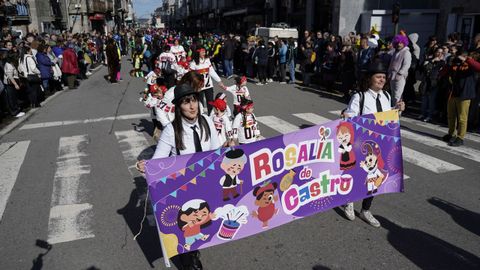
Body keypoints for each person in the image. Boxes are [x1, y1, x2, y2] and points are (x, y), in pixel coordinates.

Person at [137, 83, 221, 270]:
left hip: (206, 181)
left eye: (194, 101)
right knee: (186, 226)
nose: (192, 106)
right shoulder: (171, 130)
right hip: (184, 187)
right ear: (179, 107)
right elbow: (158, 161)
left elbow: (217, 152)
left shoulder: (207, 121)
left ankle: (194, 251)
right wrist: (146, 167)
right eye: (186, 102)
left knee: (204, 222)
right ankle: (188, 262)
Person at [342, 60, 405, 227]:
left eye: (384, 77)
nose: (382, 80)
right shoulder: (359, 96)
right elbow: (350, 119)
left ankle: (366, 210)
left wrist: (397, 111)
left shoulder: (386, 96)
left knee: (374, 178)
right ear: (370, 78)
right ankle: (349, 201)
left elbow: (389, 121)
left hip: (379, 145)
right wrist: (348, 117)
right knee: (357, 175)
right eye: (378, 77)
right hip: (361, 143)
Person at [440, 51, 480, 146]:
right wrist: (449, 63)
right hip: (453, 93)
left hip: (464, 95)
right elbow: (442, 73)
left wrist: (467, 59)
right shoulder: (455, 64)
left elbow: (478, 67)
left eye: (464, 56)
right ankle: (451, 134)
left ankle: (460, 137)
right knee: (451, 116)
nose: (461, 57)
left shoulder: (471, 66)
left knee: (462, 117)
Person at [189, 47, 224, 114]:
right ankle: (201, 117)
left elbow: (212, 71)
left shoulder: (207, 60)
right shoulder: (193, 62)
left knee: (210, 102)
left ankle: (210, 117)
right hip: (199, 87)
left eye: (204, 52)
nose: (204, 53)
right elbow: (191, 76)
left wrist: (219, 81)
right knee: (200, 103)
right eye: (202, 52)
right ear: (198, 53)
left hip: (209, 86)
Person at [419, 47, 445, 122]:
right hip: (426, 81)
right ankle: (422, 113)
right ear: (435, 52)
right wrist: (432, 61)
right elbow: (424, 68)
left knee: (431, 100)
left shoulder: (442, 62)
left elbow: (440, 72)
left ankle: (429, 115)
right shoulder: (428, 60)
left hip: (434, 83)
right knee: (424, 99)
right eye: (438, 52)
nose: (439, 54)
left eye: (441, 53)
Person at [388, 34, 412, 106]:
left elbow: (406, 65)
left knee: (397, 95)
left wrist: (400, 73)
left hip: (400, 77)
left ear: (404, 43)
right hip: (392, 75)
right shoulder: (395, 52)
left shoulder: (406, 52)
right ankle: (394, 111)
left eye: (401, 43)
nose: (399, 44)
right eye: (398, 43)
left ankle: (397, 112)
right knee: (393, 94)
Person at [2, 52, 25, 117]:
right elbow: (10, 76)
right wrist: (15, 84)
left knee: (14, 97)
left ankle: (17, 110)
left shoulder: (11, 63)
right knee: (12, 98)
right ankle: (15, 112)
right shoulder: (9, 65)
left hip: (12, 83)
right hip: (10, 84)